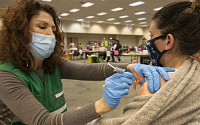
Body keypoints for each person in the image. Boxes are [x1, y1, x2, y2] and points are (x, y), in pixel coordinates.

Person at [0, 0, 174, 125]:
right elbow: (43, 121)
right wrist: (102, 105)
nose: (51, 35)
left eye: (53, 29)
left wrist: (130, 66)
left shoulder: (51, 64)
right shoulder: (6, 76)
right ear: (19, 31)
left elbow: (90, 70)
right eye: (42, 27)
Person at [91, 0, 200, 124]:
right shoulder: (195, 75)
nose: (149, 41)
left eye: (151, 35)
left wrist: (89, 117)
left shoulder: (154, 86)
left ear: (168, 41)